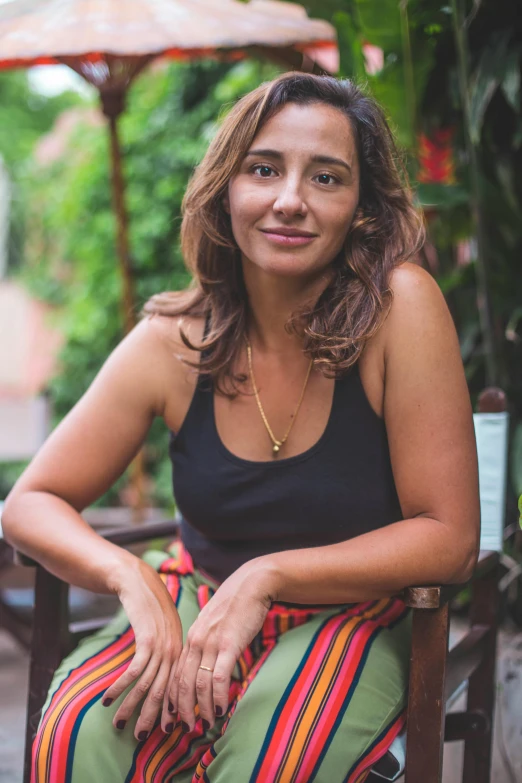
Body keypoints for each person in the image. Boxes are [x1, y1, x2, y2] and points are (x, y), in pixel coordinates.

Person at [2, 72, 480, 783]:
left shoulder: (400, 309)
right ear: (226, 188)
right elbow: (28, 504)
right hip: (197, 593)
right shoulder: (175, 338)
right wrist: (127, 575)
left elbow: (451, 536)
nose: (290, 200)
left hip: (357, 612)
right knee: (83, 737)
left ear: (361, 207)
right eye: (264, 169)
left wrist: (270, 574)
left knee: (271, 759)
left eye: (327, 177)